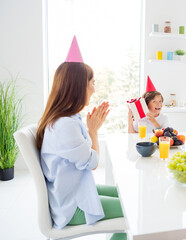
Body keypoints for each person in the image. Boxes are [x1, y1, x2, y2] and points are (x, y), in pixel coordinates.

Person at [35, 36, 124, 237]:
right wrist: (93, 131)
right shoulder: (64, 125)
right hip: (72, 205)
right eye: (92, 83)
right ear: (78, 86)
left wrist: (90, 130)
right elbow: (92, 162)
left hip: (75, 191)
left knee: (128, 195)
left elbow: (85, 156)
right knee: (132, 210)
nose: (94, 88)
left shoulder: (66, 118)